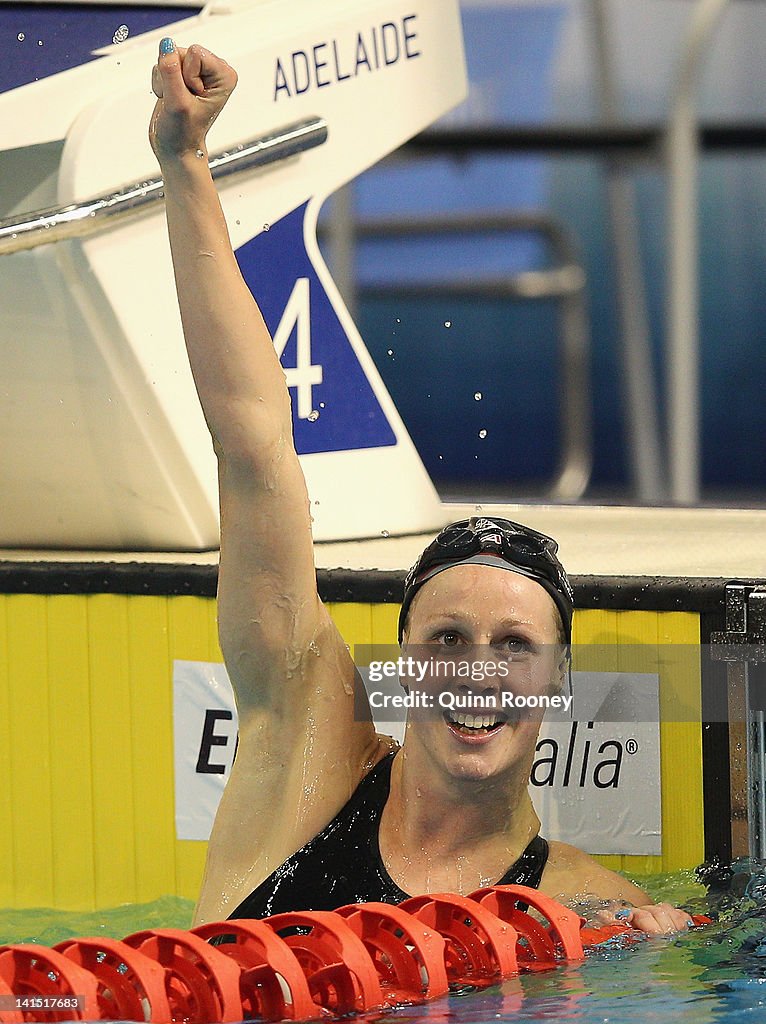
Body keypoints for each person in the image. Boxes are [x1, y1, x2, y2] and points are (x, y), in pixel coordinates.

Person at [149, 39, 693, 936]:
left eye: (514, 645)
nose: (478, 672)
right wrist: (185, 163)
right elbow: (253, 444)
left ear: (560, 679)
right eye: (448, 635)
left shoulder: (594, 911)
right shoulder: (305, 754)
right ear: (401, 660)